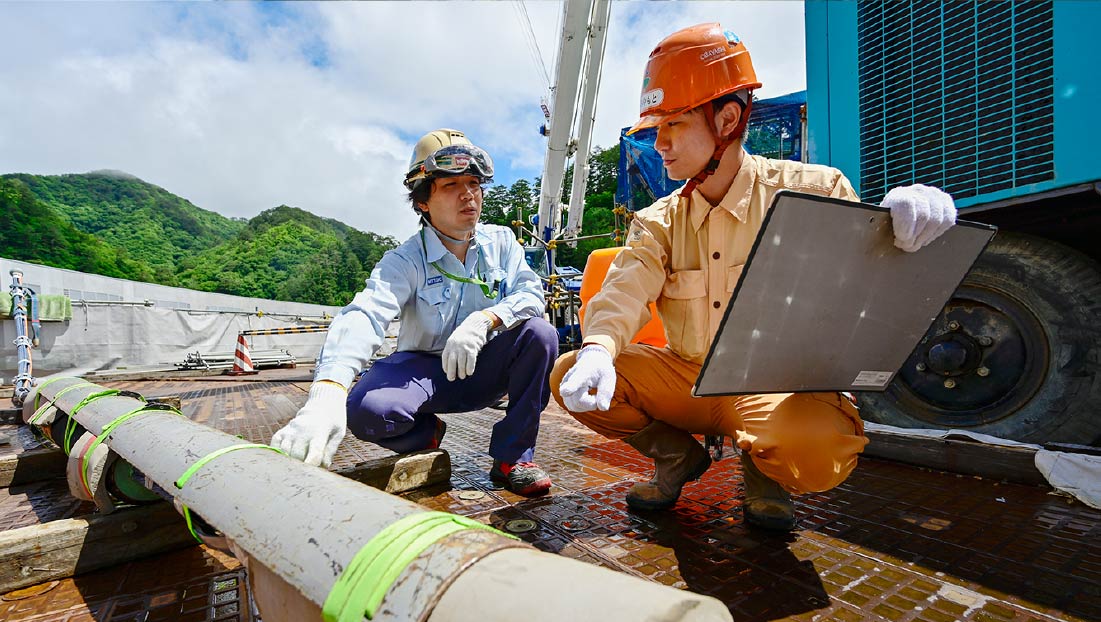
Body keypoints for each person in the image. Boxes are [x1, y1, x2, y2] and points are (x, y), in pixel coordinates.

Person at [551, 24, 958, 530]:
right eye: (657, 128)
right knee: (570, 373)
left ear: (726, 119)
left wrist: (895, 229)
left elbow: (868, 284)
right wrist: (598, 349)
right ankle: (677, 457)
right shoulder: (658, 221)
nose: (659, 143)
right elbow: (625, 288)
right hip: (687, 378)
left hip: (772, 389)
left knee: (816, 450)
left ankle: (764, 468)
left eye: (673, 123)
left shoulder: (815, 192)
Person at [272, 129, 557, 496]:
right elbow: (365, 314)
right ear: (423, 201)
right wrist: (326, 391)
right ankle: (426, 434)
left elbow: (531, 293)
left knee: (539, 334)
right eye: (451, 185)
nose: (468, 194)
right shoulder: (405, 260)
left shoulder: (501, 242)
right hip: (425, 374)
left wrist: (486, 320)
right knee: (366, 410)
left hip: (483, 366)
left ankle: (512, 457)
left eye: (474, 183)